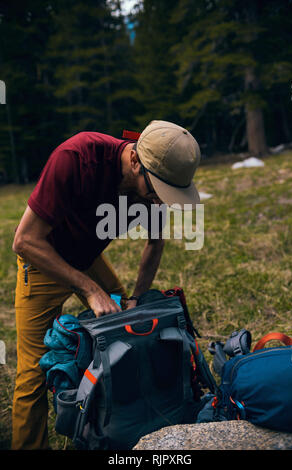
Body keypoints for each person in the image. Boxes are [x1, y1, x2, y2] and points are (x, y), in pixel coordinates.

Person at [11, 120, 201, 449]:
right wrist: (90, 289)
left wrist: (137, 300)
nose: (159, 199)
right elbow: (25, 240)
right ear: (134, 161)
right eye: (156, 189)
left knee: (125, 335)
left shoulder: (152, 188)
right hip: (43, 259)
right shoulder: (77, 157)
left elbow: (155, 243)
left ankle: (122, 423)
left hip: (87, 257)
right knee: (32, 372)